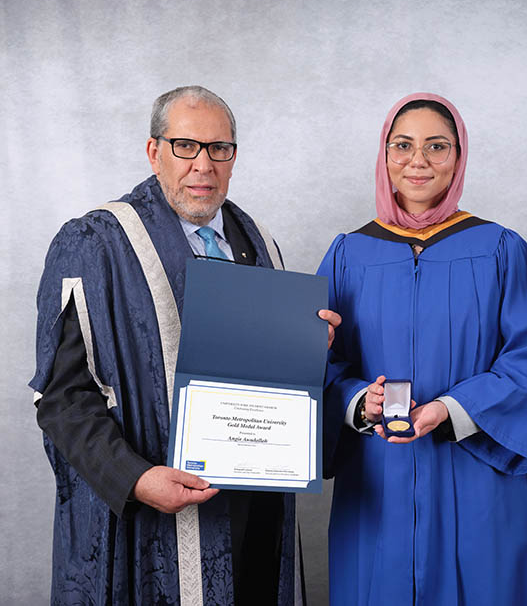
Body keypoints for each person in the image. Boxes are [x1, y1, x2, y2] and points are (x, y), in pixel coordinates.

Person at [30, 85, 340, 605]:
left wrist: (309, 348)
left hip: (257, 502)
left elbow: (267, 375)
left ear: (234, 157)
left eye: (219, 148)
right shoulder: (94, 242)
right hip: (152, 513)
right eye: (185, 146)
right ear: (154, 152)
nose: (204, 164)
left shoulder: (258, 239)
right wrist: (136, 478)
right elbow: (62, 399)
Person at [318, 92, 527, 604]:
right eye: (403, 145)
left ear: (458, 158)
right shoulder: (349, 253)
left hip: (476, 473)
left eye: (437, 147)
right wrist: (357, 401)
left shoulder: (500, 249)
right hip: (378, 477)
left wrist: (449, 410)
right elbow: (317, 360)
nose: (418, 161)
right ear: (385, 155)